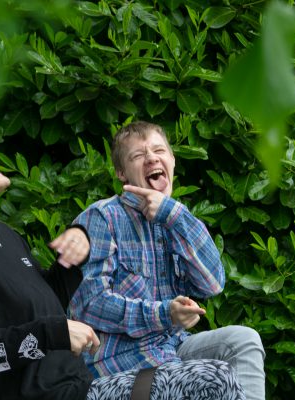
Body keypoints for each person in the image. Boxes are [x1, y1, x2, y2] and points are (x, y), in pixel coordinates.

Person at [0, 130, 246, 400]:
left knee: (222, 367)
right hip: (53, 395)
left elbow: (48, 300)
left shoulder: (6, 236)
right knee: (213, 378)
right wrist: (52, 333)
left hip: (79, 387)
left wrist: (75, 255)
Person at [68, 121, 266, 399]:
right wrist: (165, 314)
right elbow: (90, 304)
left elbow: (212, 283)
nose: (151, 158)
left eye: (159, 150)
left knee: (243, 340)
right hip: (120, 363)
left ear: (172, 160)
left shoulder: (175, 220)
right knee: (209, 376)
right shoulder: (101, 218)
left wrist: (175, 215)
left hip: (172, 348)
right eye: (138, 155)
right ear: (121, 172)